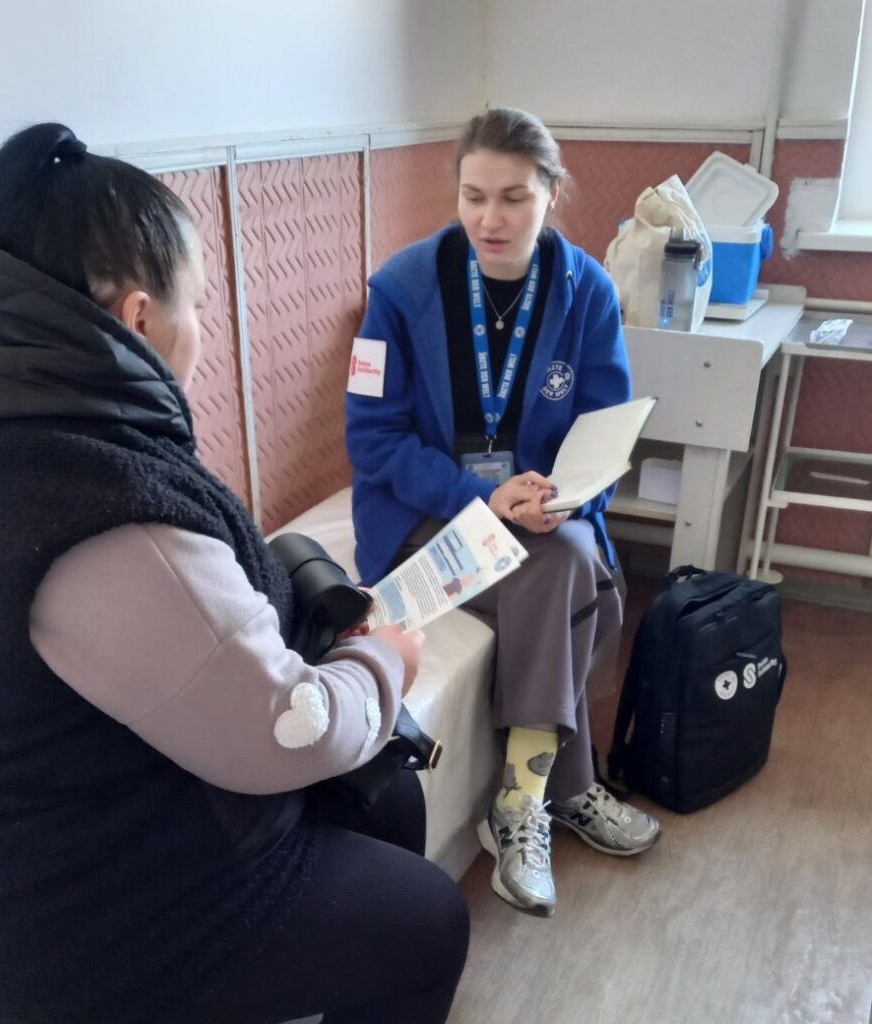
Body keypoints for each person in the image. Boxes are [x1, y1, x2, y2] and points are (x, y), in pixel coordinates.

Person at [0, 123, 468, 1024]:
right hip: (92, 904)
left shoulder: (50, 431)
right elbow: (281, 728)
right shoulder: (94, 508)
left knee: (390, 794)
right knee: (431, 920)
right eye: (199, 306)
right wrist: (383, 661)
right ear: (139, 319)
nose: (492, 215)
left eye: (514, 197)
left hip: (99, 793)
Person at [346, 107, 661, 917]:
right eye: (474, 196)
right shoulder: (400, 291)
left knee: (571, 556)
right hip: (423, 515)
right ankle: (547, 793)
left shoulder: (587, 292)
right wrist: (479, 497)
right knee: (573, 571)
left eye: (515, 198)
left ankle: (530, 796)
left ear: (552, 193)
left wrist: (565, 497)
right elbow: (373, 440)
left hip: (539, 515)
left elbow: (603, 430)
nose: (491, 219)